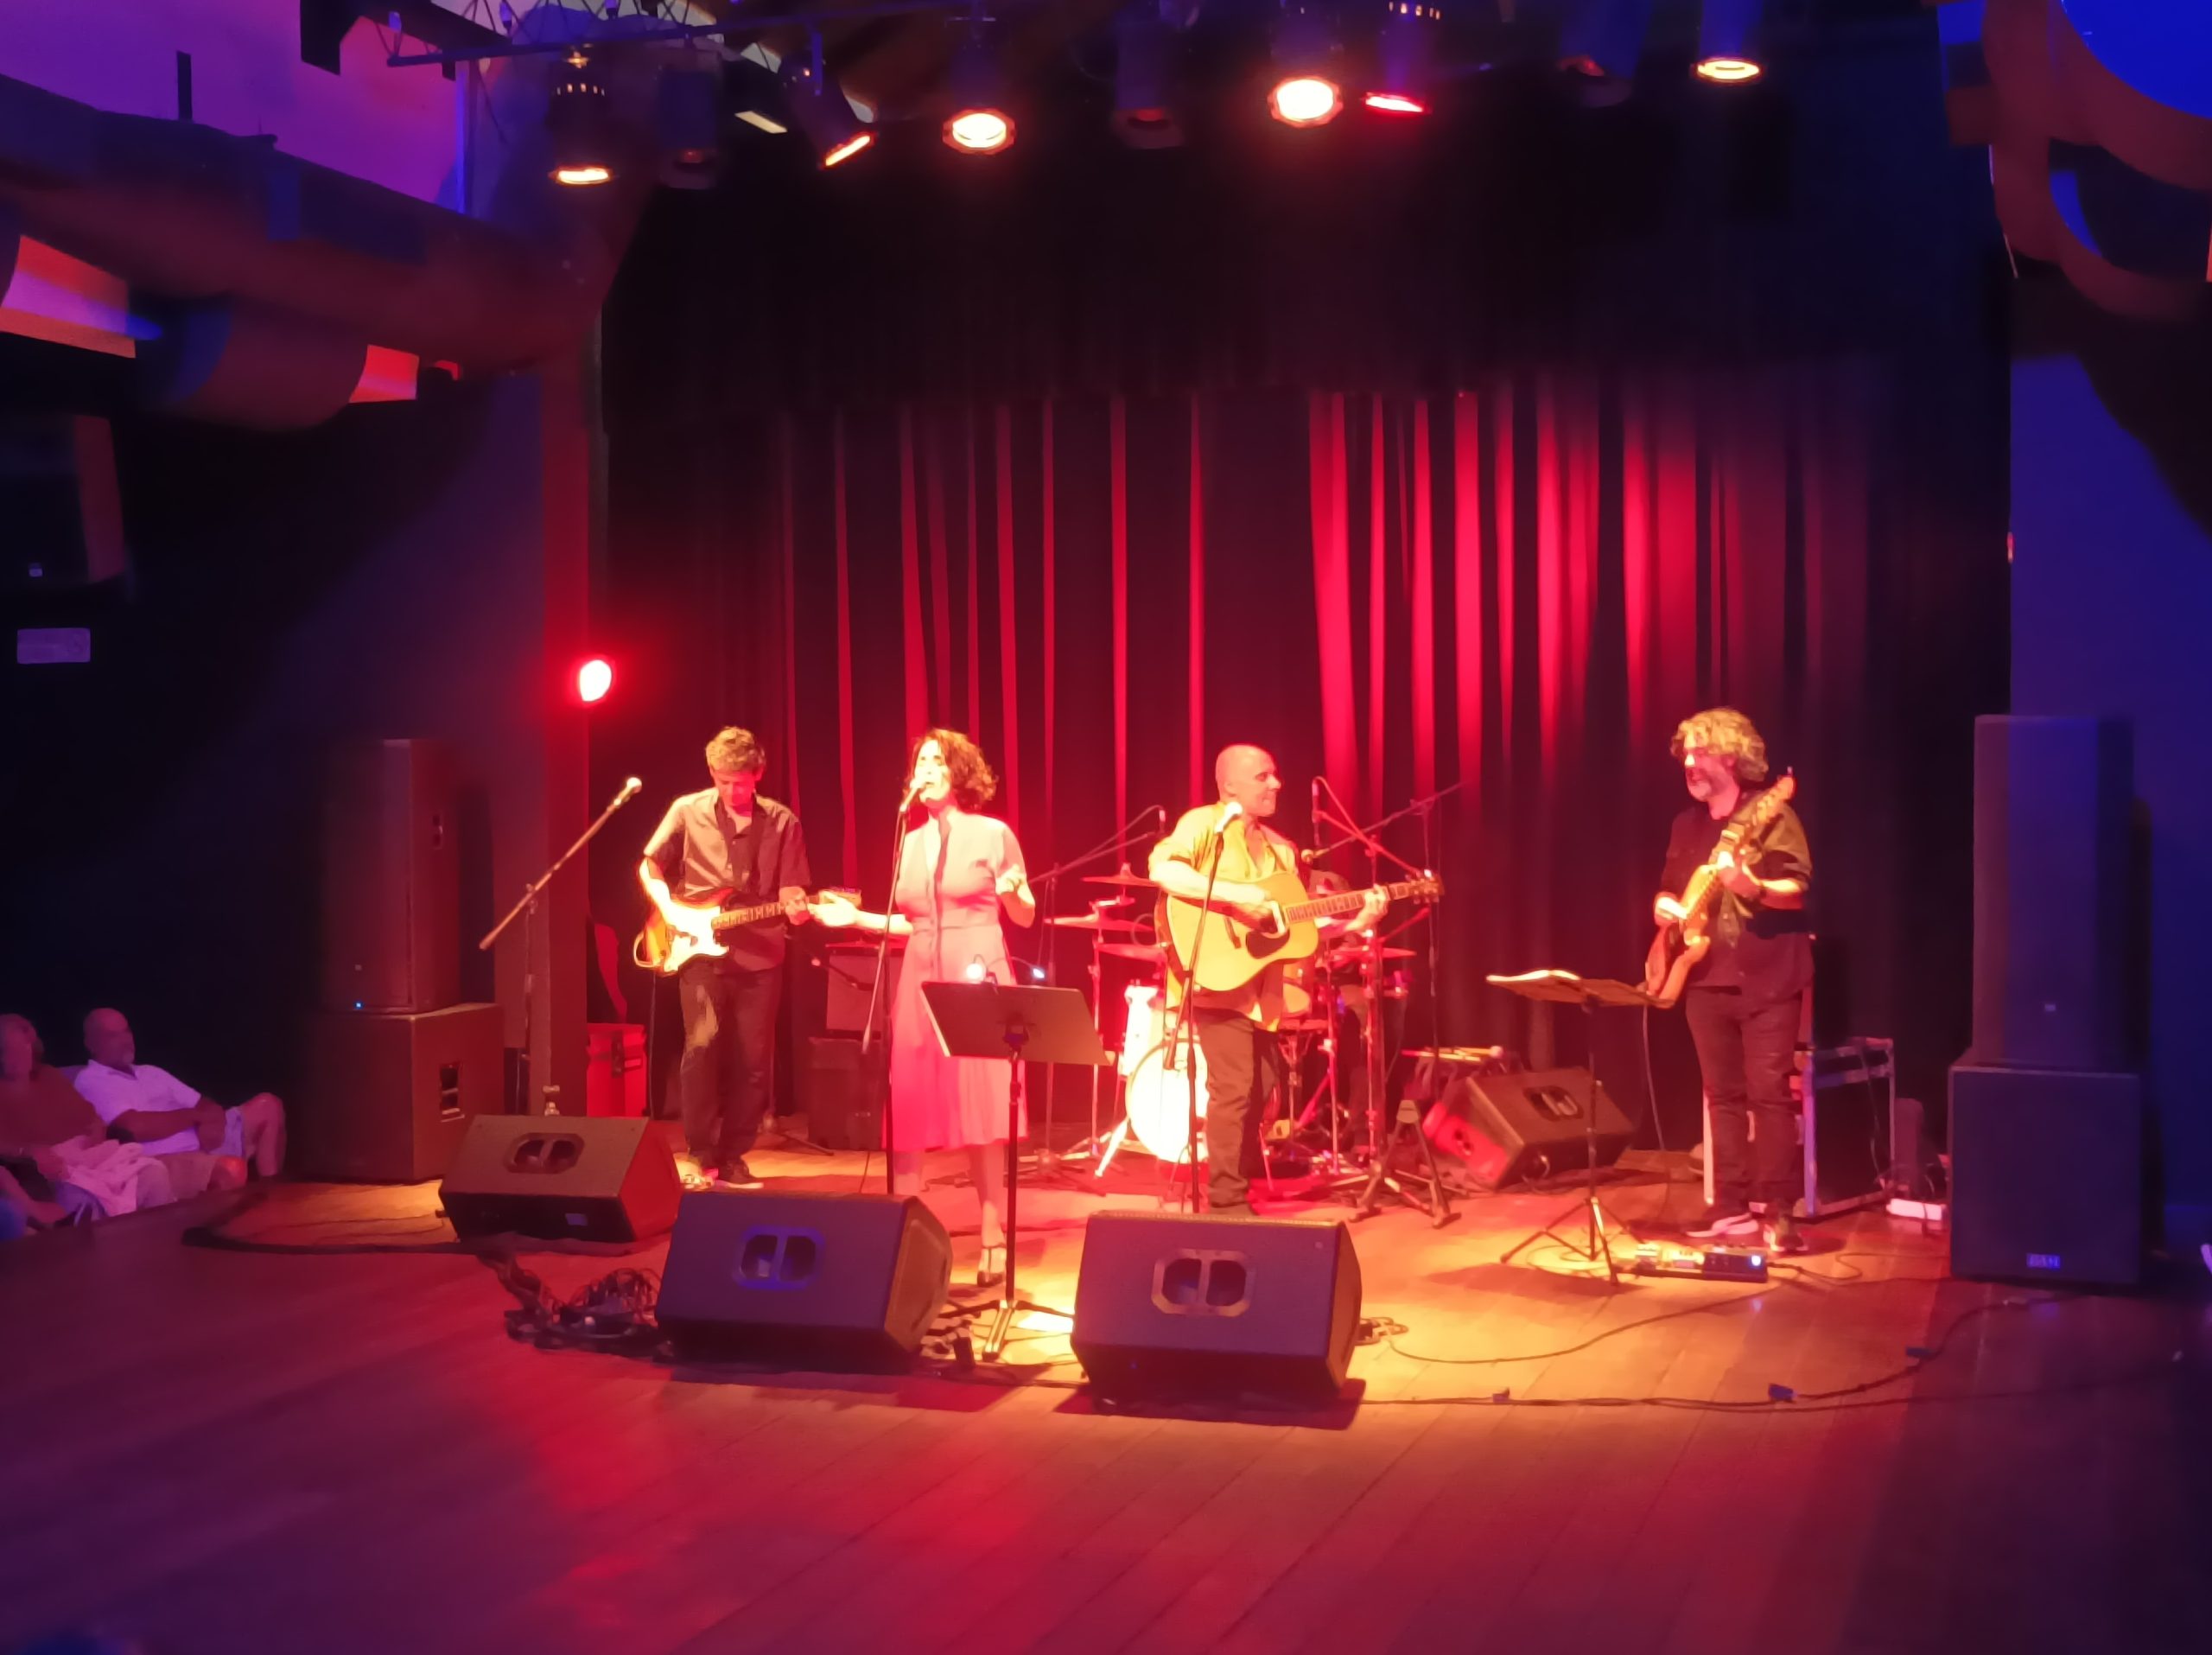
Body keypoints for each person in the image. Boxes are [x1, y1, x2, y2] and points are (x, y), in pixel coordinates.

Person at [814, 730, 1035, 1285]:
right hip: (919, 972)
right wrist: (856, 919)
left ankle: (992, 1235)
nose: (927, 770)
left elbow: (1025, 914)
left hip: (976, 967)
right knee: (909, 1097)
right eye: (920, 762)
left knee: (981, 1103)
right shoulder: (909, 841)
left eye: (937, 761)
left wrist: (1013, 892)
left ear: (959, 772)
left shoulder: (993, 833)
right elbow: (910, 922)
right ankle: (903, 1234)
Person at [1149, 745, 1387, 1218]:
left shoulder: (1283, 850)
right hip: (1216, 980)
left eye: (1274, 775)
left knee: (1261, 1087)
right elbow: (1164, 870)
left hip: (1262, 992)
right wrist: (1239, 897)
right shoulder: (1203, 826)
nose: (1276, 784)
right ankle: (1226, 1200)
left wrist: (1355, 923)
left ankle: (1237, 1184)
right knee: (1234, 1087)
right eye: (1263, 777)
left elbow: (1294, 930)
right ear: (1229, 785)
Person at [1653, 708, 1813, 1254]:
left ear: (1732, 757)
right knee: (1721, 1097)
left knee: (1769, 1096)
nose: (1689, 763)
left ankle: (1780, 1211)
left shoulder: (1769, 814)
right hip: (1703, 978)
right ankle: (1730, 1208)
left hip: (1767, 978)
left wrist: (1753, 887)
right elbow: (1668, 886)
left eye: (1701, 752)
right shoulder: (1686, 824)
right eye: (1686, 754)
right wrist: (1664, 906)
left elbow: (1797, 889)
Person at [639, 726, 815, 1191]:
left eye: (740, 782)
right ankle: (699, 1153)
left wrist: (797, 907)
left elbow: (792, 888)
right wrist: (669, 909)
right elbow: (650, 864)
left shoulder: (782, 822)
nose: (732, 791)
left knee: (753, 1060)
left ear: (758, 774)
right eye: (722, 781)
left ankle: (734, 1155)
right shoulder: (686, 810)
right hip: (697, 948)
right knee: (702, 1045)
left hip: (761, 953)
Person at [3, 1013, 245, 1222]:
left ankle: (165, 1245)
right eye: (10, 1051)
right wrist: (27, 1152)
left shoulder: (50, 1077)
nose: (21, 1055)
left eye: (25, 1047)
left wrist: (96, 1129)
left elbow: (91, 1118)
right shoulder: (92, 1080)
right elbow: (133, 1126)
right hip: (51, 1168)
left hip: (90, 1154)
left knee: (153, 1175)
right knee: (80, 1195)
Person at [74, 1009, 285, 1179]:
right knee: (230, 1169)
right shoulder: (91, 1080)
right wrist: (194, 1117)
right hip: (168, 1157)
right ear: (91, 1044)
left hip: (205, 1140)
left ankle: (272, 1193)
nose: (125, 1041)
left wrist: (213, 1122)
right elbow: (133, 1127)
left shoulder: (150, 1072)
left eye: (127, 1032)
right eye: (113, 1035)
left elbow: (202, 1103)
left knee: (268, 1106)